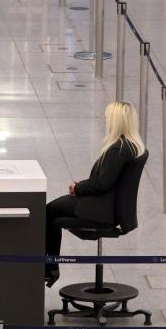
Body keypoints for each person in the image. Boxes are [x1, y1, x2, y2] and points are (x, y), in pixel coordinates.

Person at [45, 101, 146, 287]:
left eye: (107, 118)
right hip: (109, 208)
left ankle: (49, 267)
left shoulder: (118, 149)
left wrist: (78, 188)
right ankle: (50, 266)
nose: (104, 120)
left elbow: (102, 184)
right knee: (54, 209)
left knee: (49, 211)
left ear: (116, 122)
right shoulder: (133, 147)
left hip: (99, 210)